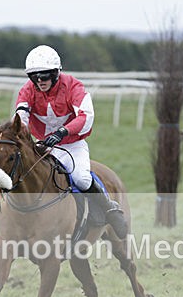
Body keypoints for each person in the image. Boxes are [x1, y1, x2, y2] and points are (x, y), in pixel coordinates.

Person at [15, 44, 128, 238]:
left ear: (56, 73)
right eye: (35, 76)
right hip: (41, 145)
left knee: (82, 179)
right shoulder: (27, 90)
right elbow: (21, 117)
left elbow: (86, 116)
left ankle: (109, 208)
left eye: (45, 75)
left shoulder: (73, 86)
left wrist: (63, 132)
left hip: (71, 144)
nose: (40, 81)